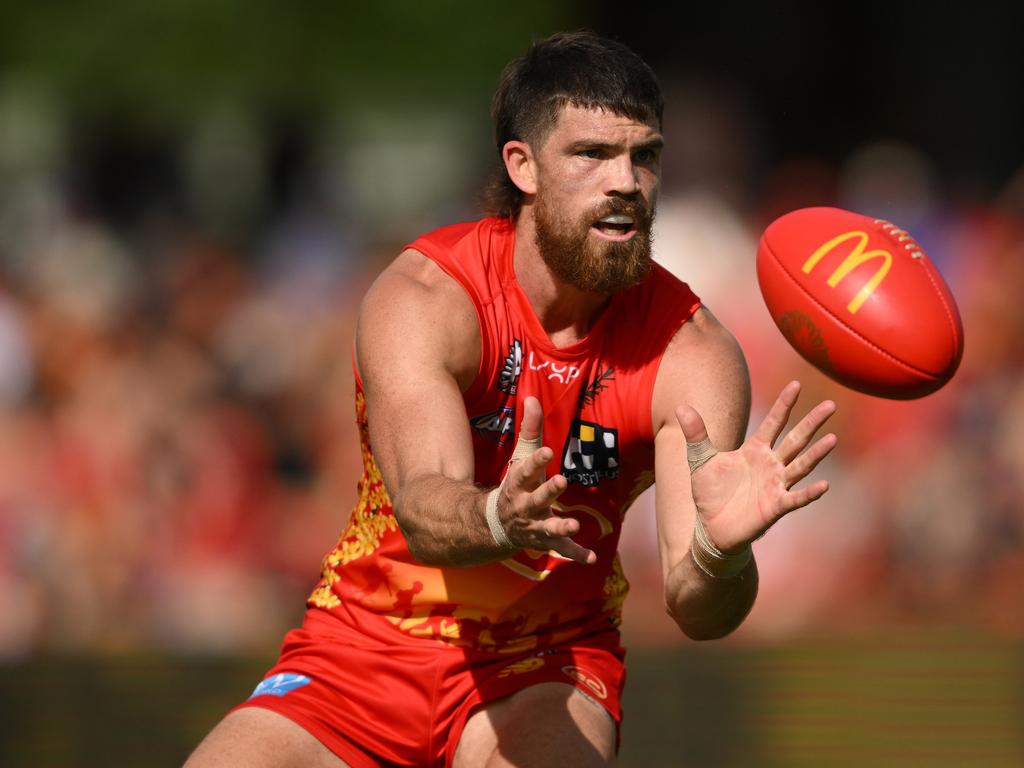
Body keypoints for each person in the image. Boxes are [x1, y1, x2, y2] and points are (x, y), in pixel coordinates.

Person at [184, 30, 837, 768]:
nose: (625, 180)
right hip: (359, 651)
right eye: (591, 154)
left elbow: (698, 608)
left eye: (644, 156)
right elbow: (428, 508)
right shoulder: (426, 298)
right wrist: (499, 515)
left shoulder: (695, 354)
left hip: (547, 668)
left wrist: (721, 554)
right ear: (521, 166)